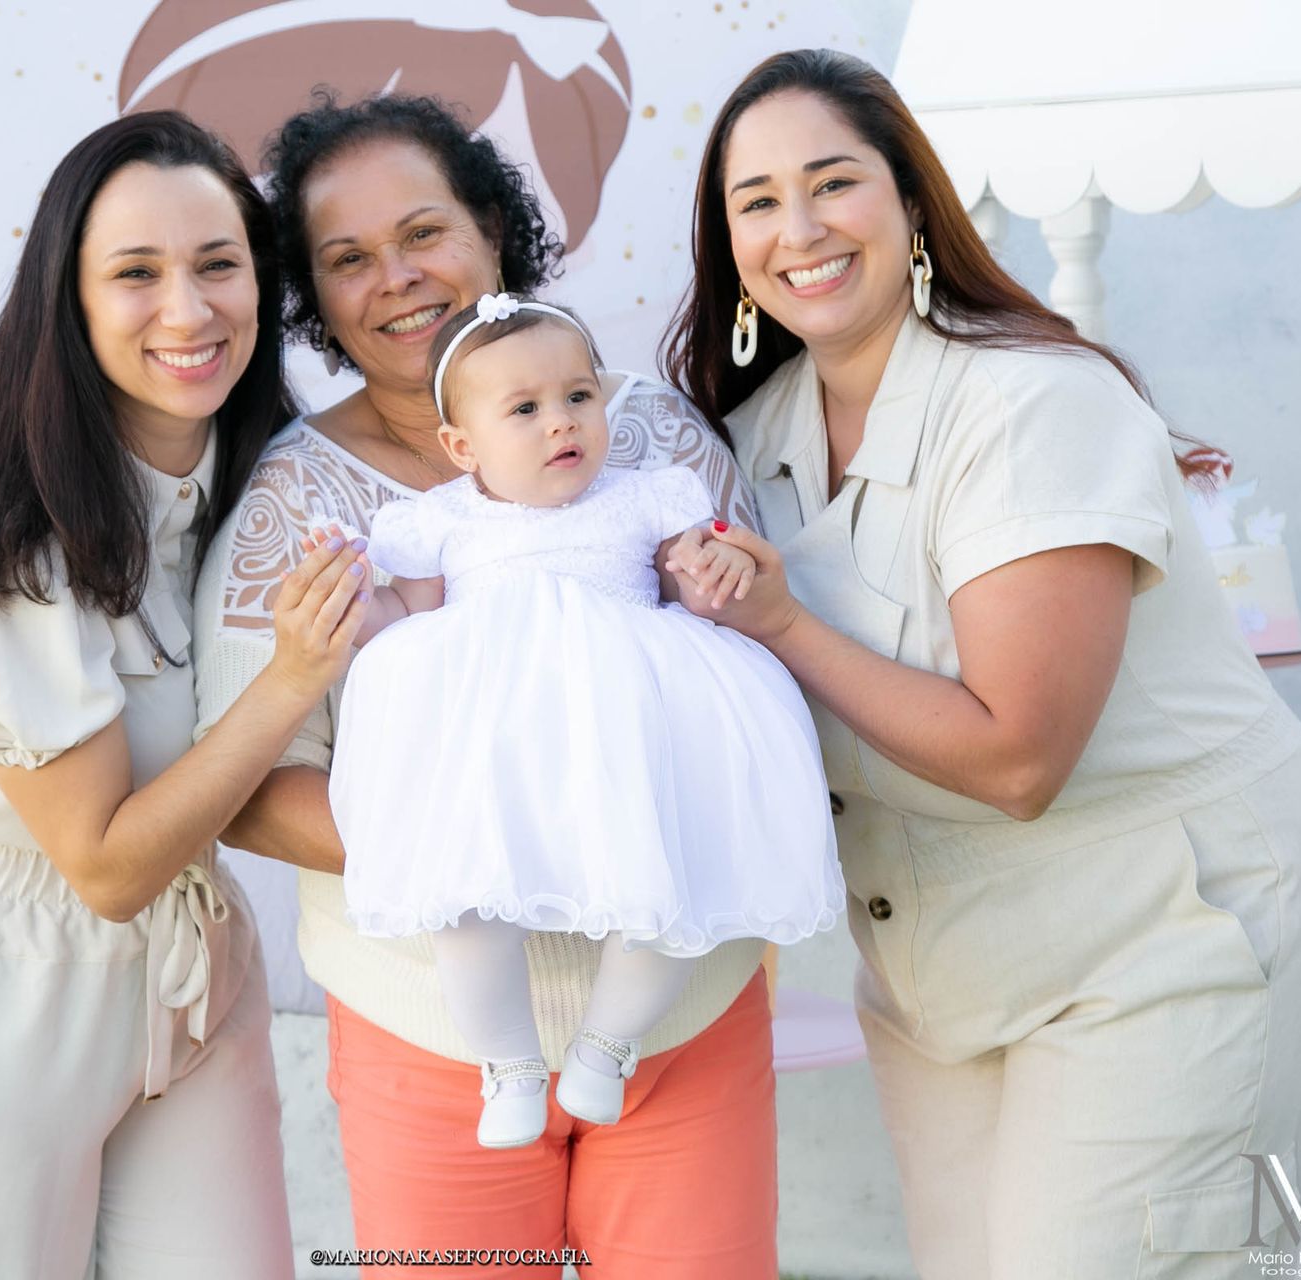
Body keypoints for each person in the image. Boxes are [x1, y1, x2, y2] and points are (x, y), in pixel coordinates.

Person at [663, 49, 1301, 1278]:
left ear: (913, 202)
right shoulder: (746, 435)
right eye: (756, 201)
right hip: (938, 960)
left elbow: (1021, 755)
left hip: (1158, 927)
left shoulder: (1033, 402)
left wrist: (782, 626)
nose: (799, 228)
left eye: (834, 182)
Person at [191, 94, 781, 1277]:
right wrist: (500, 843)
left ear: (495, 234)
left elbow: (755, 666)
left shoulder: (651, 438)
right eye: (347, 259)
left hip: (682, 1009)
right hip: (432, 1034)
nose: (398, 278)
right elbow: (249, 787)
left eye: (425, 233)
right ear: (312, 295)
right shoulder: (297, 504)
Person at [0, 111, 369, 1279]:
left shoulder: (260, 479)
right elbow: (109, 867)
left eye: (221, 264)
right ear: (66, 300)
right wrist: (287, 685)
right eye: (136, 274)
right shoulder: (4, 539)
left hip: (192, 962)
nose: (189, 308)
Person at [315, 293, 838, 1150]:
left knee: (678, 884)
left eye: (579, 396)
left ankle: (606, 1044)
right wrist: (347, 606)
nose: (562, 423)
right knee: (467, 904)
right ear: (461, 445)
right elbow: (401, 614)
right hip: (501, 748)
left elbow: (681, 579)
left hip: (629, 733)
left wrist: (700, 569)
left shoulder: (646, 495)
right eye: (524, 410)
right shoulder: (443, 519)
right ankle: (510, 1062)